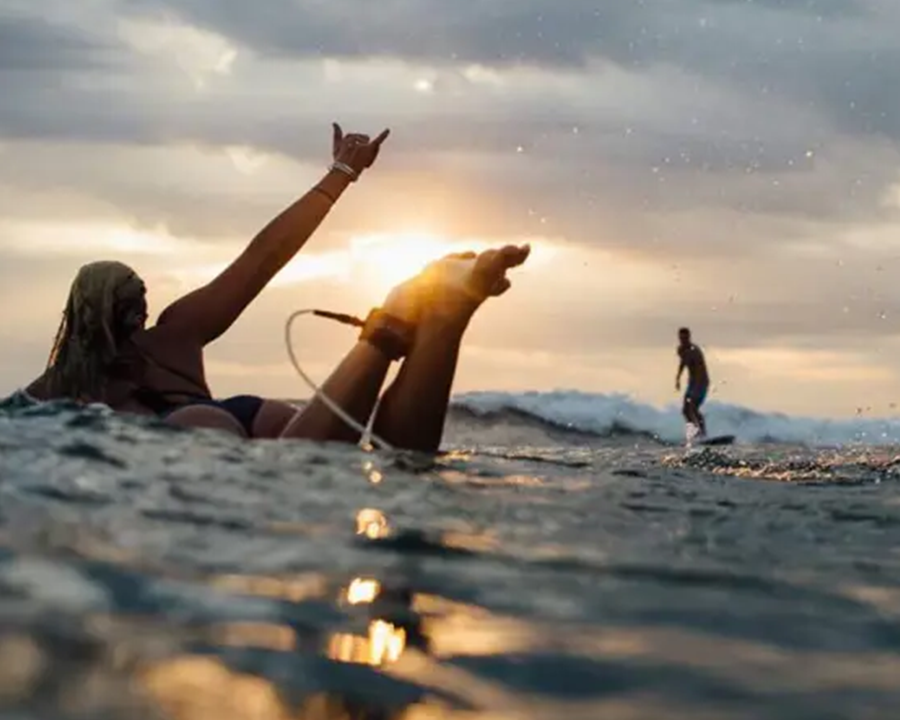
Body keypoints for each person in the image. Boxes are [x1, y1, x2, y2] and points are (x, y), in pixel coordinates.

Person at [23, 123, 531, 453]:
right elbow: (262, 258)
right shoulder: (170, 335)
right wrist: (342, 174)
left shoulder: (65, 383)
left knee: (311, 465)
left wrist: (342, 174)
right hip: (249, 415)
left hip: (198, 431)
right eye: (133, 300)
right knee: (394, 468)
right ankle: (443, 322)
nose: (140, 310)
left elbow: (265, 256)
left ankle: (391, 320)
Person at [675, 326, 709, 439]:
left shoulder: (695, 351)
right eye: (681, 338)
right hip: (692, 383)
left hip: (701, 382)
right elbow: (683, 363)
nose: (683, 340)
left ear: (689, 337)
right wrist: (678, 378)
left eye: (685, 338)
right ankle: (694, 432)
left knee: (693, 408)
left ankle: (703, 433)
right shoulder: (680, 349)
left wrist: (698, 385)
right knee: (685, 410)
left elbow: (700, 369)